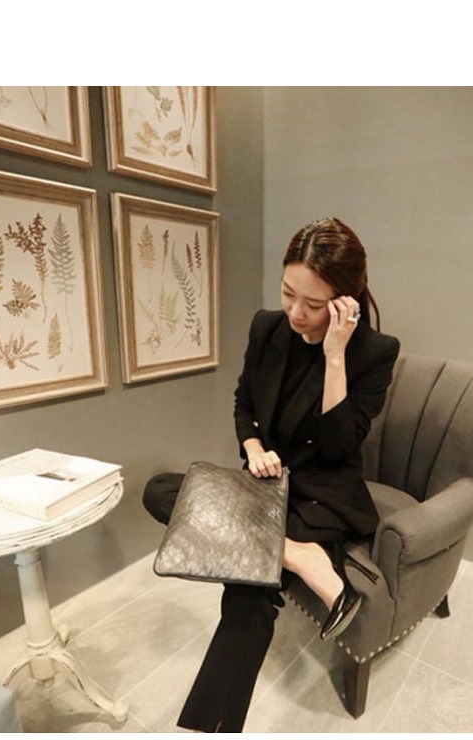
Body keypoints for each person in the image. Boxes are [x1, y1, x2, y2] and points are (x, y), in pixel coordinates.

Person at [143, 217, 400, 732]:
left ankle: (208, 729)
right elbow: (244, 401)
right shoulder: (267, 327)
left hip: (321, 495)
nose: (296, 313)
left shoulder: (374, 352)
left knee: (248, 592)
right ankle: (297, 556)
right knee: (160, 490)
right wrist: (253, 445)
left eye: (313, 304)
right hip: (266, 486)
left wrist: (334, 356)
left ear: (345, 301)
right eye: (288, 293)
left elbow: (339, 447)